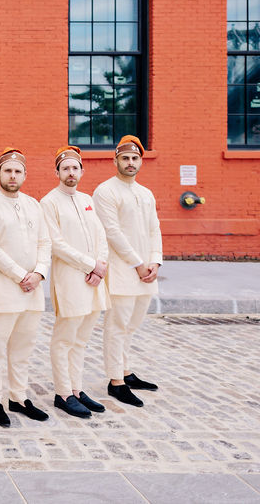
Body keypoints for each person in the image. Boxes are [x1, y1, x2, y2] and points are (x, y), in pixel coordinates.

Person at [0, 147, 52, 427]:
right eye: (7, 171)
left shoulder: (34, 205)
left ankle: (19, 397)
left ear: (24, 175)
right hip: (4, 288)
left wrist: (40, 273)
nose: (12, 176)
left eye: (17, 171)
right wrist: (21, 274)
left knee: (24, 346)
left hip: (33, 289)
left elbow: (45, 242)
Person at [39, 146, 110, 419]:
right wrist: (90, 264)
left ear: (82, 171)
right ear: (57, 172)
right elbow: (56, 244)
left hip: (95, 280)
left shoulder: (86, 199)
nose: (71, 172)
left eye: (75, 168)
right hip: (70, 278)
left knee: (82, 340)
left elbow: (101, 236)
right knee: (64, 339)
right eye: (65, 168)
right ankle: (63, 393)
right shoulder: (49, 202)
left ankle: (77, 389)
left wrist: (100, 266)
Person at [93, 135, 162, 408]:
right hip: (122, 269)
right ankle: (115, 382)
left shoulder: (146, 193)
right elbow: (112, 233)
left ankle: (125, 370)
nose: (130, 163)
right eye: (125, 158)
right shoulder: (106, 191)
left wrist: (155, 261)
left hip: (146, 270)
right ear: (115, 161)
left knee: (132, 324)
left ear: (140, 161)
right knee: (117, 325)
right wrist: (137, 263)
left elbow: (154, 228)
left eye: (135, 158)